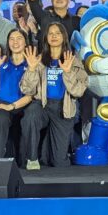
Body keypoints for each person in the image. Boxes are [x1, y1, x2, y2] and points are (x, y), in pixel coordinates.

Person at [20, 22, 88, 170]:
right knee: (30, 115)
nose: (54, 36)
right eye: (50, 33)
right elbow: (27, 89)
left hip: (64, 108)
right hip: (42, 105)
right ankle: (32, 158)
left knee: (59, 163)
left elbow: (78, 91)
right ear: (46, 37)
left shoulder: (74, 61)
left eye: (58, 33)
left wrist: (68, 72)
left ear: (64, 37)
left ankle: (48, 153)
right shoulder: (38, 60)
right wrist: (31, 69)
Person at [0, 29, 33, 159]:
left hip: (23, 104)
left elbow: (31, 95)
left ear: (25, 42)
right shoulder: (2, 61)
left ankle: (27, 158)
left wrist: (11, 106)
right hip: (2, 103)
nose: (15, 42)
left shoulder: (31, 63)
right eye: (11, 39)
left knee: (31, 117)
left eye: (19, 38)